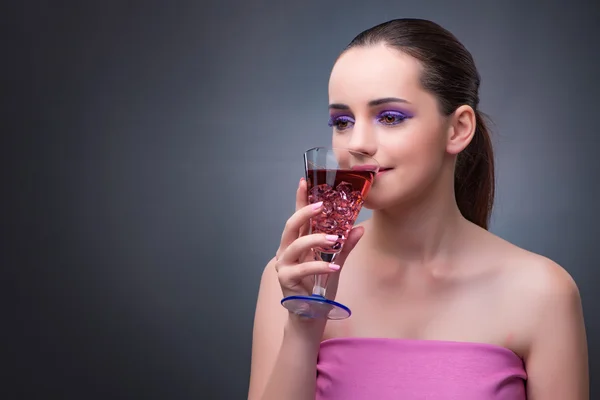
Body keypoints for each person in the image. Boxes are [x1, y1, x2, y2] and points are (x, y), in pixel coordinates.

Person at [247, 18, 589, 400]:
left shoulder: (543, 292)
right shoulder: (293, 279)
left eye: (390, 117)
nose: (356, 143)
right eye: (342, 121)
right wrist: (305, 319)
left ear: (458, 129)